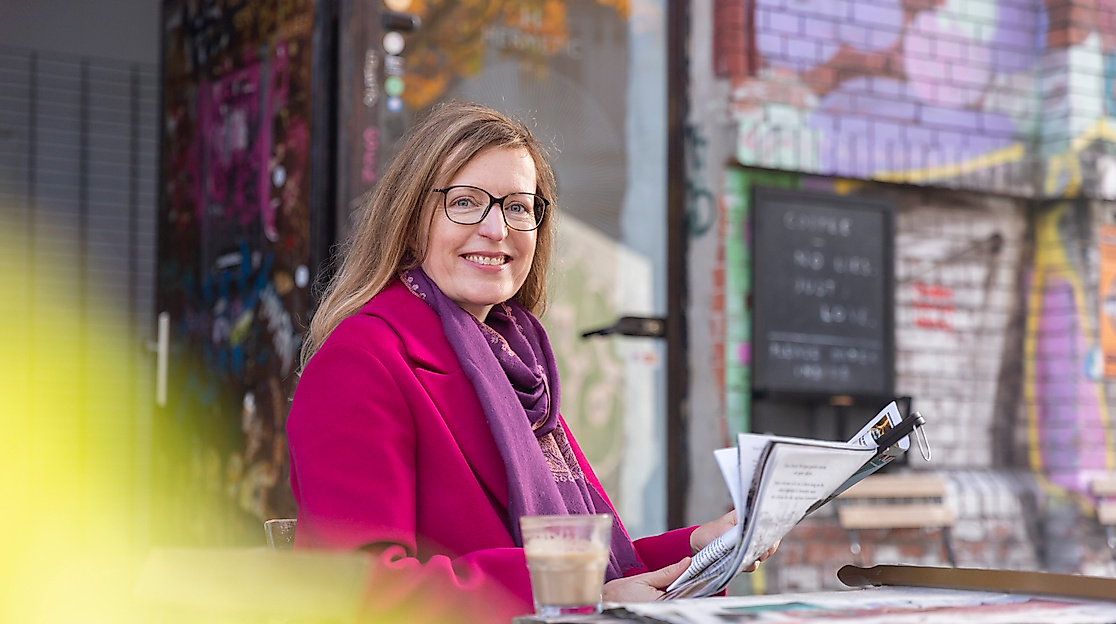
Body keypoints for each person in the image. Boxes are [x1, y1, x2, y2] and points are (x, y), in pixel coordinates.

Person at [286, 101, 772, 621]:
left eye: (518, 207)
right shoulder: (361, 362)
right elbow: (361, 590)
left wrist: (704, 543)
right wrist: (585, 596)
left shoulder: (517, 368)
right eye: (466, 202)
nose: (497, 229)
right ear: (411, 220)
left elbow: (603, 573)